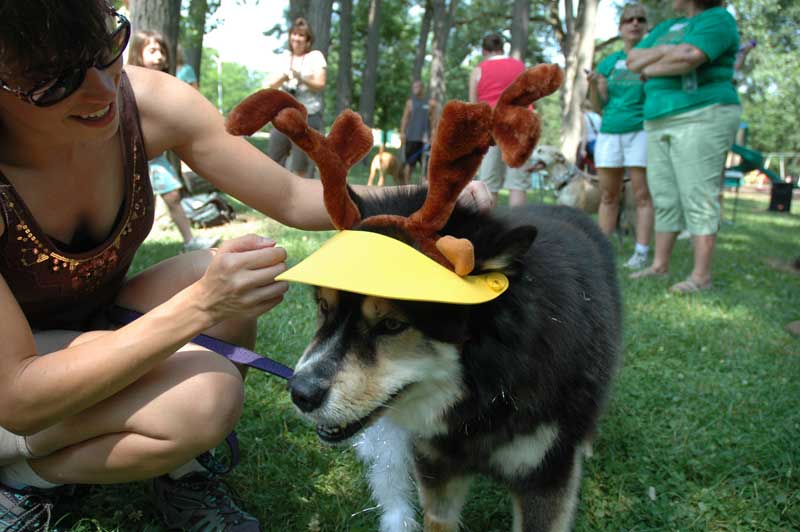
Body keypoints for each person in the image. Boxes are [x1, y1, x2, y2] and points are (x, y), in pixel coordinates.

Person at [0, 2, 494, 530]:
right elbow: (18, 395)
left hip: (82, 332)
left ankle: (180, 471)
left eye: (106, 52)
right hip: (15, 382)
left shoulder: (146, 103)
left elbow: (287, 192)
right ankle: (25, 478)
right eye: (53, 81)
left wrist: (427, 199)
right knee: (205, 397)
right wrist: (201, 304)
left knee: (243, 264)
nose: (101, 91)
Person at [627, 0, 742, 294]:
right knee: (663, 194)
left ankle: (701, 276)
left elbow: (689, 56)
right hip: (657, 118)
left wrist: (653, 65)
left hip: (703, 113)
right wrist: (668, 52)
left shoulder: (718, 19)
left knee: (697, 193)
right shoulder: (666, 28)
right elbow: (632, 60)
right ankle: (659, 266)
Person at [127, 29, 219, 252]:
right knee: (132, 207)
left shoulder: (168, 85)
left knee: (172, 195)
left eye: (162, 51)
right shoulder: (127, 83)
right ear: (139, 54)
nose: (159, 56)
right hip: (131, 158)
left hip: (156, 158)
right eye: (152, 50)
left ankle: (190, 241)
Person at [587, 3, 654, 270]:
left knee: (641, 195)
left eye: (640, 19)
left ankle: (641, 252)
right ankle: (602, 252)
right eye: (629, 20)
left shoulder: (653, 56)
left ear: (646, 26)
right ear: (621, 28)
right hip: (609, 131)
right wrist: (593, 85)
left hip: (640, 129)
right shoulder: (609, 62)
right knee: (608, 195)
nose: (634, 24)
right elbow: (596, 106)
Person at [469, 33, 528, 207]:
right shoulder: (520, 67)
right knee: (517, 184)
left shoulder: (478, 70)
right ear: (502, 48)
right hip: (518, 125)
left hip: (491, 127)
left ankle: (490, 231)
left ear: (484, 51)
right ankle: (519, 232)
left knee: (488, 184)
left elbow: (474, 106)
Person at [265, 17, 327, 178]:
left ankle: (303, 201)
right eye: (294, 34)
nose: (296, 39)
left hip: (308, 116)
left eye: (301, 35)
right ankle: (274, 199)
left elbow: (320, 84)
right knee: (273, 161)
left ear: (308, 40)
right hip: (283, 116)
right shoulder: (284, 56)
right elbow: (271, 84)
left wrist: (300, 77)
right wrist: (284, 77)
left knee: (301, 166)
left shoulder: (315, 56)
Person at [399, 80, 438, 185]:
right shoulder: (410, 103)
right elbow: (405, 119)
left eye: (418, 87)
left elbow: (434, 121)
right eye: (414, 87)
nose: (415, 89)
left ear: (422, 89)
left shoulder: (430, 103)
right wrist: (402, 132)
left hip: (425, 140)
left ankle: (424, 188)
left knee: (426, 166)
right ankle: (406, 186)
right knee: (409, 164)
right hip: (411, 138)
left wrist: (433, 135)